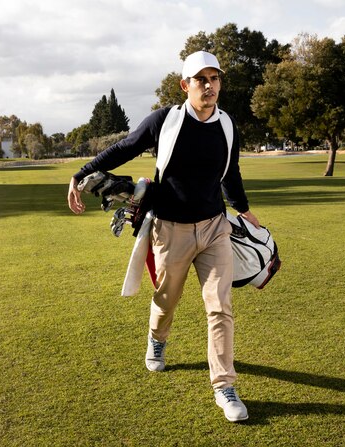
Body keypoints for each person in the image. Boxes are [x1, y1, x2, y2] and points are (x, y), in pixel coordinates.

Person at [67, 50, 259, 423]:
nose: (208, 85)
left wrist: (244, 209)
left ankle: (224, 386)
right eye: (200, 79)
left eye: (214, 78)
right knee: (166, 300)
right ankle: (157, 341)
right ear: (184, 85)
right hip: (170, 229)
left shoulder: (227, 124)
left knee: (220, 307)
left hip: (215, 228)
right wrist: (81, 174)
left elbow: (230, 172)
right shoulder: (164, 121)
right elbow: (123, 148)